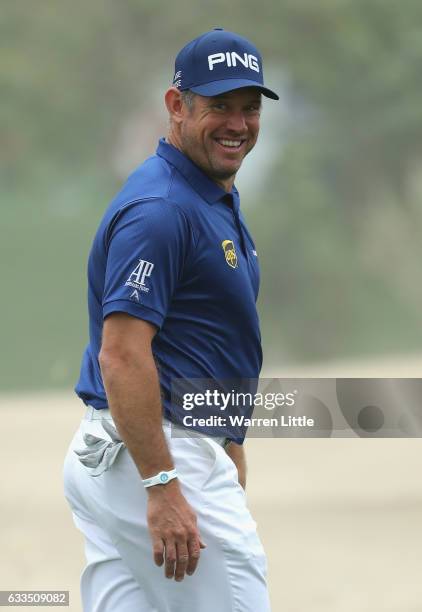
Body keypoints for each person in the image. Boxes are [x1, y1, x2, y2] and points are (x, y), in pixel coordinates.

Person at [63, 27, 279, 612]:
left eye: (249, 108)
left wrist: (230, 441)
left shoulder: (207, 196)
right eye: (219, 107)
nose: (238, 124)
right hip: (158, 452)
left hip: (128, 453)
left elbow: (210, 340)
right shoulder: (161, 210)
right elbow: (122, 354)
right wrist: (162, 484)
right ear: (176, 106)